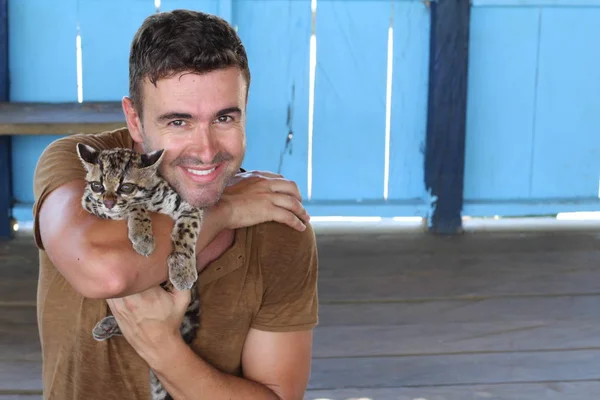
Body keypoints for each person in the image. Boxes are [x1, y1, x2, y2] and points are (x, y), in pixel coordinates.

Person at [32, 9, 318, 400]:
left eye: (224, 117)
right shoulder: (87, 163)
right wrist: (223, 211)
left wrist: (164, 350)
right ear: (135, 120)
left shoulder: (276, 222)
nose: (206, 151)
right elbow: (104, 272)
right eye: (178, 122)